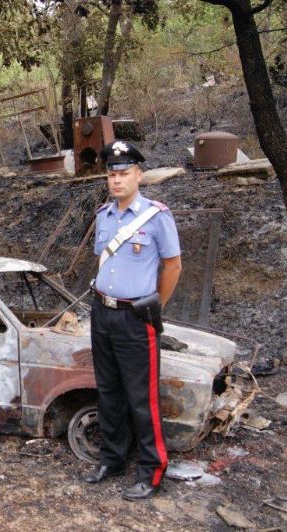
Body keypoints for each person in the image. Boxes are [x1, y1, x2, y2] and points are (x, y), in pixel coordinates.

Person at [83, 141, 182, 500]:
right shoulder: (103, 216)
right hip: (102, 313)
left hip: (135, 318)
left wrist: (154, 306)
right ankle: (112, 459)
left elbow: (173, 266)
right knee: (108, 392)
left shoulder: (157, 217)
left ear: (139, 174)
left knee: (143, 398)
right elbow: (103, 261)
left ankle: (152, 470)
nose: (116, 180)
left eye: (123, 173)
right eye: (111, 174)